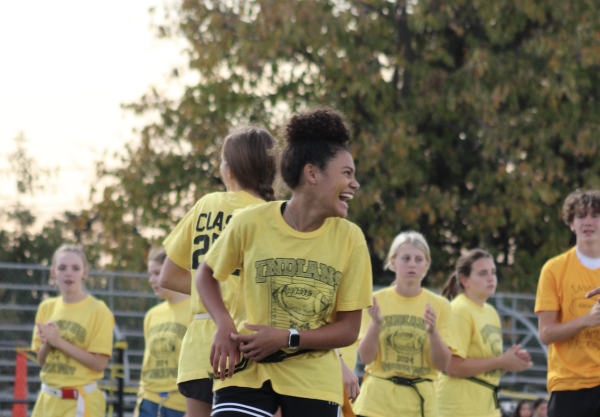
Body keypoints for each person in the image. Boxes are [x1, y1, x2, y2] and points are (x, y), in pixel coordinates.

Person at [197, 108, 373, 416]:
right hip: (246, 372)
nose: (355, 184)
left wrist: (287, 338)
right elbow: (206, 274)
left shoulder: (351, 239)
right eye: (347, 173)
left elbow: (347, 330)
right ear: (312, 173)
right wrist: (224, 323)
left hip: (313, 381)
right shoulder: (250, 221)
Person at [159, 126, 278, 417]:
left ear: (229, 170)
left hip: (200, 344)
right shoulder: (274, 214)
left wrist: (214, 291)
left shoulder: (207, 205)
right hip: (246, 344)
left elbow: (169, 276)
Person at [352, 231, 455, 417]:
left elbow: (442, 364)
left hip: (420, 406)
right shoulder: (375, 301)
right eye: (405, 258)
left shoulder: (440, 306)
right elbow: (366, 358)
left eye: (418, 259)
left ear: (426, 265)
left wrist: (433, 333)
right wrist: (375, 324)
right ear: (393, 262)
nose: (412, 264)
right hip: (375, 405)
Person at [437, 249, 533, 417]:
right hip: (458, 408)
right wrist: (501, 360)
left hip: (486, 407)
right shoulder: (460, 310)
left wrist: (509, 362)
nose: (491, 278)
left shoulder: (491, 312)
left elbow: (488, 368)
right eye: (482, 273)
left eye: (493, 272)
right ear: (465, 280)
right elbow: (452, 367)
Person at [535, 190, 600, 417]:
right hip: (568, 387)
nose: (588, 222)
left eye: (595, 215)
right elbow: (545, 332)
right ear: (571, 224)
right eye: (581, 216)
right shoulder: (554, 269)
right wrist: (587, 320)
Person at [31, 244, 114, 417]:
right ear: (53, 273)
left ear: (85, 272)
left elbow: (99, 365)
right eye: (62, 268)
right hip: (47, 401)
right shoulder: (46, 307)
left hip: (81, 401)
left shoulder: (99, 310)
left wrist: (59, 342)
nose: (69, 273)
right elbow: (41, 360)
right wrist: (48, 345)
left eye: (76, 268)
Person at [135, 247, 192, 417]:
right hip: (148, 402)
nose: (152, 280)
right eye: (150, 274)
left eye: (157, 273)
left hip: (182, 404)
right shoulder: (152, 315)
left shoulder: (197, 309)